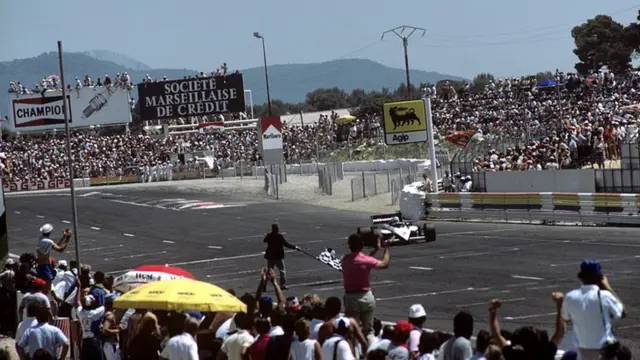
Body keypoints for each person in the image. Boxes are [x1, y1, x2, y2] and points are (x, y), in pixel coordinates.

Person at [561, 259, 625, 360]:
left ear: (581, 276)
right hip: (603, 350)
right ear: (599, 277)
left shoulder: (570, 296)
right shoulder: (604, 296)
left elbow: (565, 317)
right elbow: (621, 313)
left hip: (582, 351)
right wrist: (607, 287)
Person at [341, 233, 390, 344]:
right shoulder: (364, 260)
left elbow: (362, 260)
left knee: (353, 331)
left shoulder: (345, 260)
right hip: (366, 296)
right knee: (369, 331)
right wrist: (386, 248)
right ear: (362, 245)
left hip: (351, 298)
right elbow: (384, 264)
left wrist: (375, 250)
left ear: (349, 245)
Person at [263, 223, 300, 290]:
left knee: (269, 271)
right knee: (282, 270)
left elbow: (265, 240)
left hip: (270, 256)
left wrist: (266, 236)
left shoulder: (269, 235)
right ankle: (283, 285)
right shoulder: (279, 236)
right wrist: (295, 247)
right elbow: (286, 244)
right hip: (278, 257)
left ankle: (264, 285)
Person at [36, 224, 71, 289]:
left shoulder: (42, 239)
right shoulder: (48, 241)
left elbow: (56, 245)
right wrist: (68, 239)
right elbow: (60, 249)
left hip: (41, 265)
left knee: (42, 286)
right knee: (48, 286)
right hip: (45, 267)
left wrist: (63, 237)